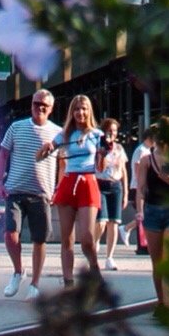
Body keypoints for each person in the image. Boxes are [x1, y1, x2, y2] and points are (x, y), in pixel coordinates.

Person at [0, 87, 60, 298]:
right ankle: (18, 271)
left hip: (41, 194)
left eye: (44, 106)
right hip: (15, 191)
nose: (39, 108)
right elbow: (3, 154)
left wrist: (59, 187)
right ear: (31, 105)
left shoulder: (58, 132)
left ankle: (35, 284)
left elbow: (63, 163)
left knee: (39, 240)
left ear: (50, 109)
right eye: (36, 104)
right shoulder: (16, 127)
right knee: (10, 235)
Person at [50, 94, 105, 288]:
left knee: (87, 239)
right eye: (76, 109)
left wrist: (104, 154)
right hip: (68, 183)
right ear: (71, 112)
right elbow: (50, 149)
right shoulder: (64, 135)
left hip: (88, 183)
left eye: (84, 109)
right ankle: (68, 281)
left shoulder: (97, 135)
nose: (80, 112)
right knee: (66, 238)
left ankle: (94, 266)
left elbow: (100, 167)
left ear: (89, 111)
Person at [135, 120, 169, 306]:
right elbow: (140, 188)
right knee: (157, 263)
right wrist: (139, 212)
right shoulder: (146, 160)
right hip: (152, 212)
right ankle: (162, 302)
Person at [96, 117, 129, 266]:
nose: (112, 134)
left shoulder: (119, 149)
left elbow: (123, 170)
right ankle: (96, 241)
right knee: (102, 222)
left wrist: (126, 192)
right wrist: (103, 153)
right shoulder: (98, 147)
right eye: (110, 131)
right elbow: (99, 168)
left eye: (115, 131)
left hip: (116, 185)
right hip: (100, 184)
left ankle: (109, 257)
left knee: (114, 222)